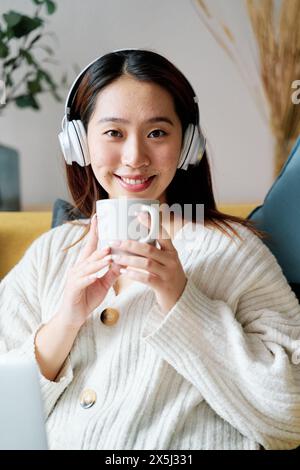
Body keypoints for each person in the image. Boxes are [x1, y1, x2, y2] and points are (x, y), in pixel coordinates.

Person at [1, 48, 300, 451]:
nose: (135, 157)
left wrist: (183, 301)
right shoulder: (49, 256)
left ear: (188, 143)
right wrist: (65, 321)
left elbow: (290, 415)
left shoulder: (235, 253)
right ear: (79, 144)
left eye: (157, 132)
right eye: (113, 133)